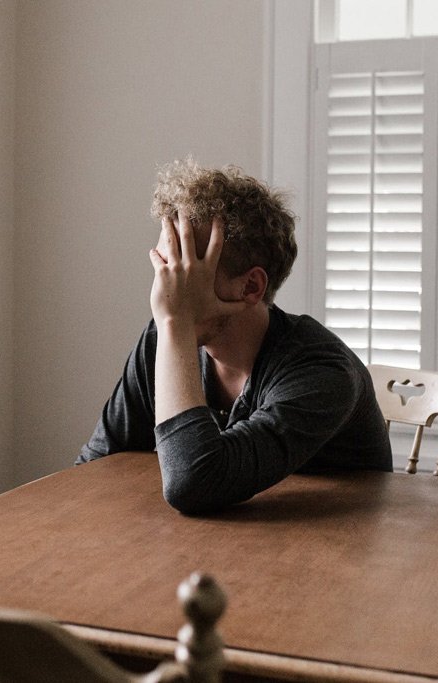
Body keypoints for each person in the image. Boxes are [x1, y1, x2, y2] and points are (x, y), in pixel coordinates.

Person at [78, 159, 392, 514]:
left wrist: (176, 323)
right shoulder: (163, 339)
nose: (165, 289)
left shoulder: (322, 371)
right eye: (164, 267)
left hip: (336, 551)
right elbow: (94, 467)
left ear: (251, 286)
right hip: (220, 545)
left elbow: (193, 483)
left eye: (185, 271)